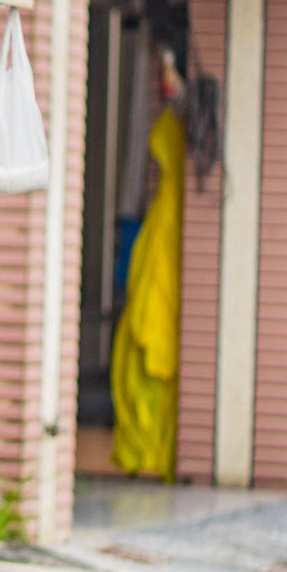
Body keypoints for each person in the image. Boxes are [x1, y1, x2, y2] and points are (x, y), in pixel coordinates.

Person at [111, 108, 184, 479]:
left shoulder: (170, 212)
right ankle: (145, 455)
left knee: (142, 386)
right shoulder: (166, 211)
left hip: (154, 320)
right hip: (151, 317)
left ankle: (149, 455)